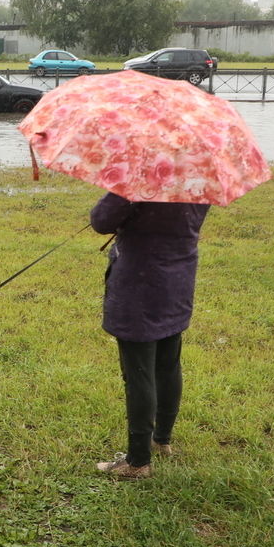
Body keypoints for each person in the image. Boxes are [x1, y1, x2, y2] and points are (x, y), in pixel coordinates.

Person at [89, 192, 209, 480]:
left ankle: (138, 461)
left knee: (139, 372)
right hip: (178, 280)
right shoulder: (199, 178)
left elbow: (101, 220)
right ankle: (161, 440)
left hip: (139, 285)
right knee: (168, 364)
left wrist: (124, 194)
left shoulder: (140, 179)